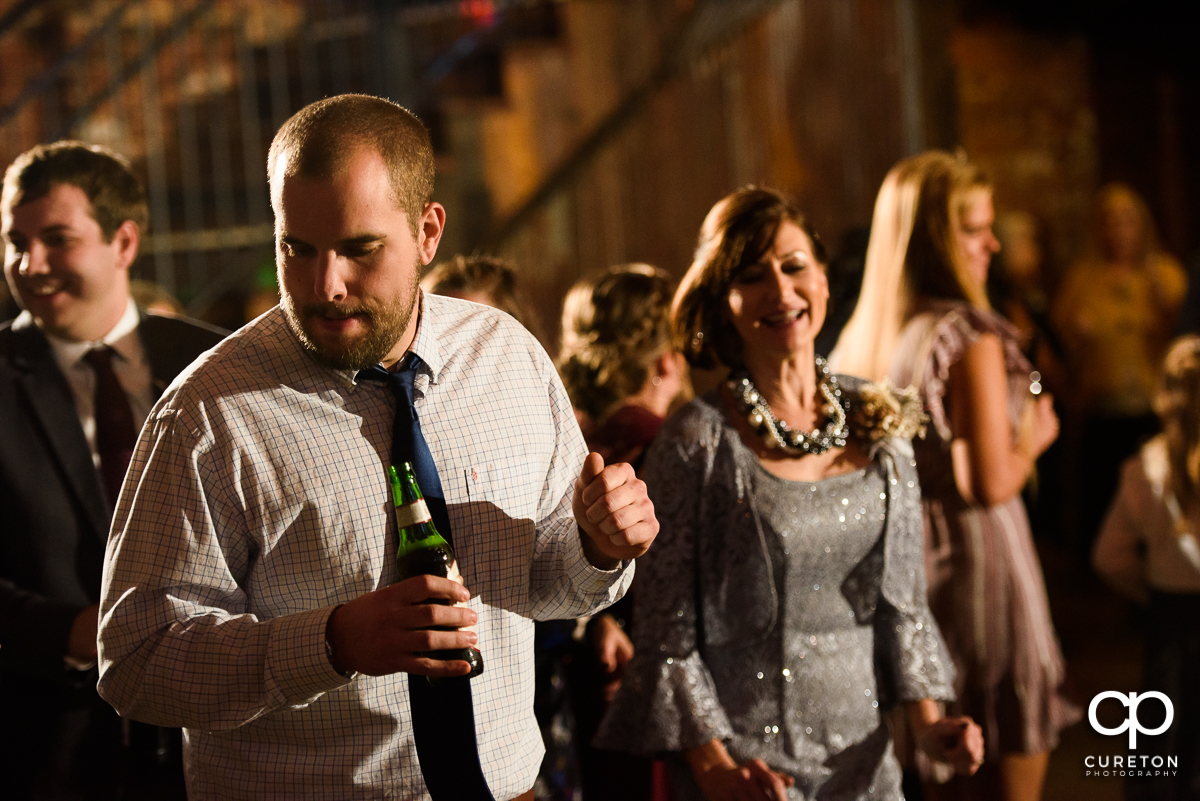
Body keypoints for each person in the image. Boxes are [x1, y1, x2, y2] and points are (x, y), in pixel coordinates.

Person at [96, 94, 657, 800]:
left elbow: (545, 585)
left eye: (359, 249)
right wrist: (331, 643)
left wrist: (598, 547)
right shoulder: (206, 415)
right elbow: (136, 660)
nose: (324, 284)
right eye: (295, 248)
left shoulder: (507, 359)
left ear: (428, 232)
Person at [596, 186, 983, 801]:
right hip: (749, 777)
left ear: (824, 280)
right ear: (722, 301)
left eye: (794, 266)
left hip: (866, 771)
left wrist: (933, 727)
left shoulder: (879, 419)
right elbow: (667, 636)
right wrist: (716, 769)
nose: (780, 291)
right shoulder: (696, 441)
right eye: (752, 276)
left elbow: (904, 608)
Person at [833, 151, 1079, 801]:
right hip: (981, 567)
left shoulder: (867, 336)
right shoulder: (968, 335)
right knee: (1003, 757)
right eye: (976, 228)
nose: (992, 243)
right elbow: (987, 483)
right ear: (939, 239)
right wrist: (1035, 438)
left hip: (909, 568)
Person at [0, 141, 226, 799]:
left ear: (123, 242)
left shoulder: (214, 362)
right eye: (15, 240)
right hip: (51, 747)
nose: (27, 262)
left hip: (213, 739)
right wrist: (73, 631)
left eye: (56, 239)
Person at [556, 263, 688, 801]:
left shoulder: (563, 438)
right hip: (644, 681)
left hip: (574, 677)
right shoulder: (671, 448)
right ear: (665, 362)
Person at [1051, 183, 1187, 559]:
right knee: (1101, 500)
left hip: (1152, 409)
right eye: (1110, 222)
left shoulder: (1165, 274)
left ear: (1141, 226)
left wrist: (1170, 310)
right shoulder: (1082, 279)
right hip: (1101, 409)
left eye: (1126, 221)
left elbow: (1188, 347)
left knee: (1155, 502)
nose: (1119, 230)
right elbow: (1056, 355)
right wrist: (1076, 340)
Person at [1093, 335, 1200, 801]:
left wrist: (1149, 592)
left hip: (1169, 620)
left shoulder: (1144, 467)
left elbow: (1108, 556)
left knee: (1160, 740)